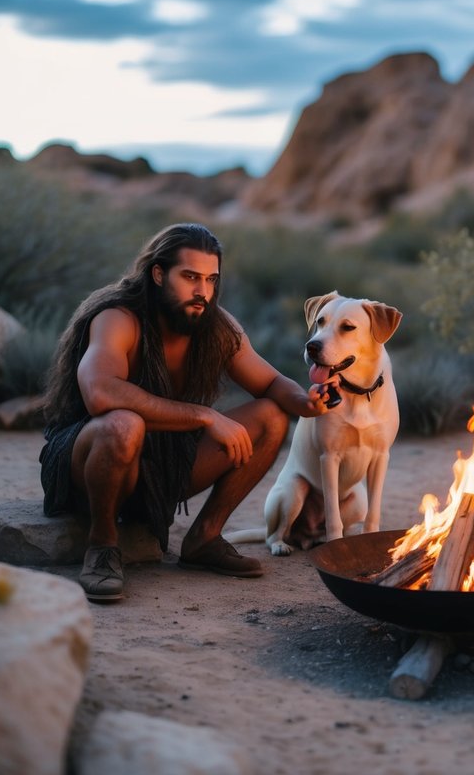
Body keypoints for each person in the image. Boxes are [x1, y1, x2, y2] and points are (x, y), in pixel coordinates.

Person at [39, 223, 337, 602]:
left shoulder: (216, 326)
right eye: (190, 277)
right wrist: (205, 416)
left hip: (165, 465)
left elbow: (271, 383)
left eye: (211, 279)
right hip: (88, 460)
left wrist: (307, 402)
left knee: (272, 418)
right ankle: (102, 546)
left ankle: (204, 538)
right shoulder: (118, 317)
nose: (203, 291)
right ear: (159, 274)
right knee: (122, 424)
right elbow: (101, 393)